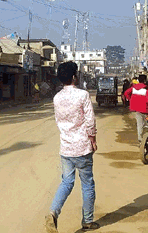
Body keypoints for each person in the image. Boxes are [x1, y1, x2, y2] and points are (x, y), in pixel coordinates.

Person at [46, 61, 98, 232]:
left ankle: (53, 212)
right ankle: (88, 221)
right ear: (75, 77)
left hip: (66, 148)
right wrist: (93, 139)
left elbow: (58, 121)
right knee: (87, 184)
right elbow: (90, 121)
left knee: (67, 182)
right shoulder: (83, 95)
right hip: (82, 147)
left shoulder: (57, 98)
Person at [124, 75, 148, 144]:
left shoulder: (133, 88)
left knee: (139, 125)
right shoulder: (147, 88)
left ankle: (140, 140)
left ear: (138, 80)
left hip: (137, 110)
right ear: (145, 81)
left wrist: (131, 100)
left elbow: (126, 93)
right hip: (146, 110)